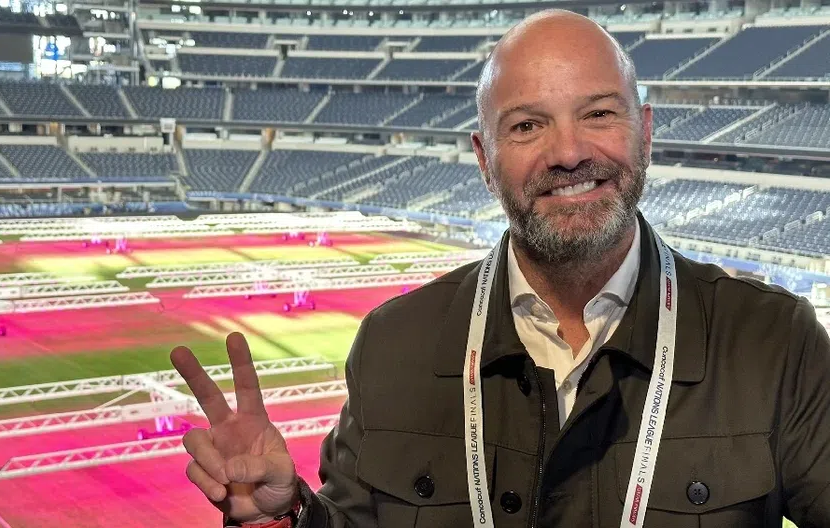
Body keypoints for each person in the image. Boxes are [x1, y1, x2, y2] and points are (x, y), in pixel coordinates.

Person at [170, 9, 830, 528]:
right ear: (484, 160)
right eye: (526, 126)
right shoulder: (393, 345)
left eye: (599, 113)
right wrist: (277, 517)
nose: (568, 152)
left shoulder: (776, 343)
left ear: (646, 132)